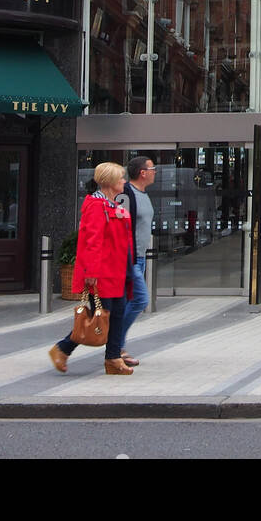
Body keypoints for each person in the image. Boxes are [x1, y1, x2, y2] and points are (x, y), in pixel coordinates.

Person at [48, 162, 134, 375]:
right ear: (110, 183)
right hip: (103, 273)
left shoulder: (111, 205)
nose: (124, 181)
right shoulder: (96, 206)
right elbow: (92, 241)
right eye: (121, 178)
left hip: (116, 271)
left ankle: (112, 359)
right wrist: (92, 273)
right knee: (101, 315)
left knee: (116, 314)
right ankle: (63, 348)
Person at [115, 155, 156, 366]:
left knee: (127, 303)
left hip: (138, 258)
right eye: (152, 168)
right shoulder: (127, 194)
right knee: (140, 299)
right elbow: (120, 226)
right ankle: (115, 345)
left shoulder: (143, 194)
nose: (155, 172)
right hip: (129, 258)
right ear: (142, 172)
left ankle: (116, 347)